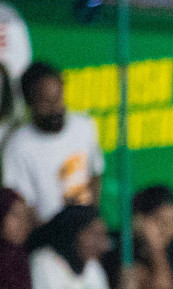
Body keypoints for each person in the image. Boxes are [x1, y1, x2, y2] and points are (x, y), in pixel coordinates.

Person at [2, 63, 103, 221]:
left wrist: (89, 218)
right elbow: (22, 207)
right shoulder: (18, 147)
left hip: (85, 230)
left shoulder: (84, 126)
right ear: (30, 102)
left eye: (58, 98)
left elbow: (95, 174)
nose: (55, 108)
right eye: (46, 102)